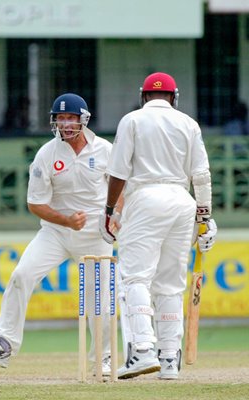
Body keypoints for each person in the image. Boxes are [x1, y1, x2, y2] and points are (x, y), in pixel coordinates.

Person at [0, 93, 118, 376]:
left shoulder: (105, 150)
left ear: (83, 120)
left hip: (95, 235)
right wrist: (66, 220)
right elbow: (35, 204)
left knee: (100, 299)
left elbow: (121, 189)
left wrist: (114, 217)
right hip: (56, 232)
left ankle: (102, 359)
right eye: (60, 118)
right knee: (21, 275)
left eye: (71, 118)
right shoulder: (46, 154)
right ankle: (5, 342)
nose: (66, 124)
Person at [100, 72, 217, 380]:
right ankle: (168, 358)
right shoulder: (188, 123)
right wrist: (204, 218)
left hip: (146, 198)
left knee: (135, 277)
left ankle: (141, 350)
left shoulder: (132, 120)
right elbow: (201, 175)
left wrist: (110, 209)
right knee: (170, 283)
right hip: (182, 201)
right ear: (173, 97)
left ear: (144, 96)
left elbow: (118, 172)